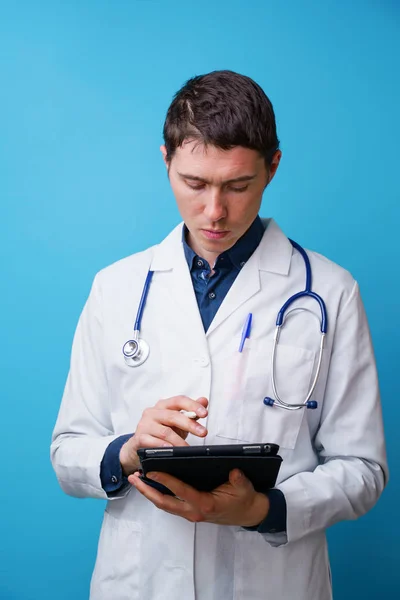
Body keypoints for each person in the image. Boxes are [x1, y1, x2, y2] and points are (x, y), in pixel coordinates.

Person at [51, 70, 388, 600]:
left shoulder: (329, 291)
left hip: (272, 583)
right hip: (140, 582)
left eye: (237, 185)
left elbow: (363, 469)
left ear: (272, 167)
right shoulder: (114, 288)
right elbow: (68, 452)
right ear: (165, 160)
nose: (214, 211)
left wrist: (262, 509)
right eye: (194, 183)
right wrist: (128, 451)